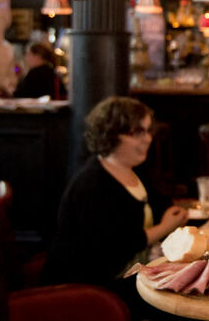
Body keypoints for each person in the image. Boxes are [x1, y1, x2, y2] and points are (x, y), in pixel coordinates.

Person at [42, 96, 187, 309]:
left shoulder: (133, 168)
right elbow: (112, 249)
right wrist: (165, 227)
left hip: (130, 273)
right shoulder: (92, 185)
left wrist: (173, 214)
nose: (147, 139)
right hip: (94, 291)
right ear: (110, 134)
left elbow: (159, 203)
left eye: (148, 131)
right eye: (138, 132)